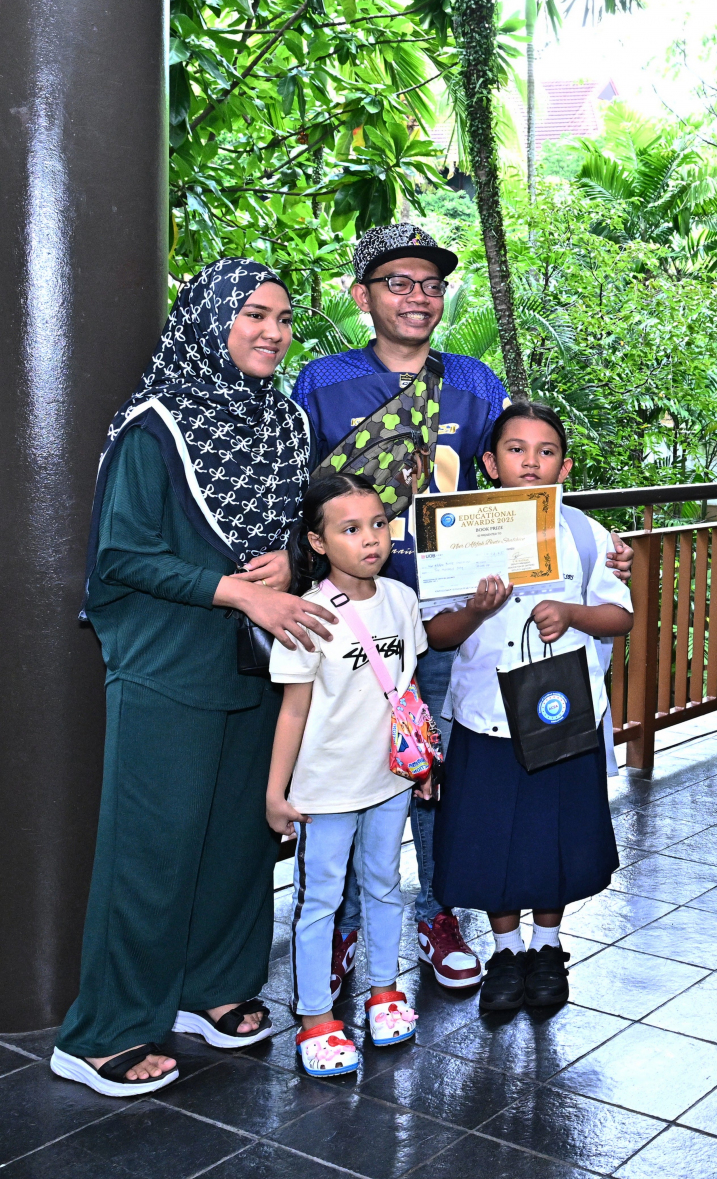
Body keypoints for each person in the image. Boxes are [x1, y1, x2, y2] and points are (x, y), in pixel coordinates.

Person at [291, 224, 630, 994]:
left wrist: (602, 550)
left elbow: (524, 485)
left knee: (445, 776)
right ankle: (344, 925)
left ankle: (438, 913)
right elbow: (295, 490)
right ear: (362, 295)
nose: (418, 297)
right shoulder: (322, 382)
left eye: (431, 284)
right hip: (359, 615)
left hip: (457, 618)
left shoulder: (474, 384)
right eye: (398, 282)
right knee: (348, 772)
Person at [54, 260, 339, 1097]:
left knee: (239, 842)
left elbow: (298, 530)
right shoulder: (156, 425)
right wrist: (239, 592)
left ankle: (210, 987)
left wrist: (289, 563)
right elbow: (122, 554)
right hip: (169, 664)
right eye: (254, 314)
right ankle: (103, 1032)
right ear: (210, 320)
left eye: (283, 319)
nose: (273, 333)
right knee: (152, 851)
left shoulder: (285, 423)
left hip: (260, 661)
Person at [425, 402, 634, 1012]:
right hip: (484, 714)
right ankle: (506, 950)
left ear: (563, 466)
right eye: (515, 449)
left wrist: (570, 614)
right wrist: (477, 609)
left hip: (561, 715)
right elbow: (437, 633)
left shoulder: (585, 534)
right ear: (490, 463)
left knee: (553, 833)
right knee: (492, 837)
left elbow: (620, 616)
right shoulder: (457, 531)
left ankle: (547, 946)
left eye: (546, 451)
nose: (531, 461)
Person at [267, 473, 431, 1076]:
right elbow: (293, 710)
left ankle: (384, 991)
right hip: (327, 788)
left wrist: (422, 761)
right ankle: (315, 1018)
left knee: (385, 885)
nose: (371, 539)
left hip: (390, 779)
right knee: (321, 901)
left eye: (379, 524)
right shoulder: (307, 615)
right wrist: (276, 791)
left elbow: (407, 687)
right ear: (317, 542)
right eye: (351, 529)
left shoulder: (402, 600)